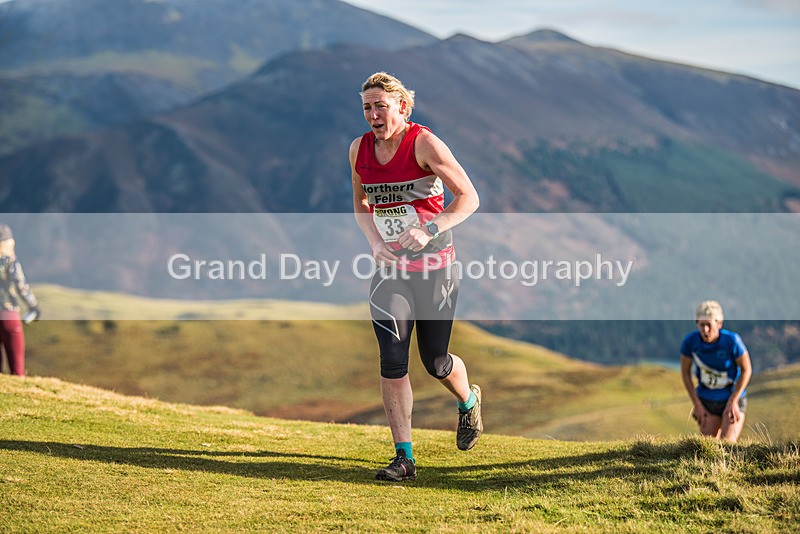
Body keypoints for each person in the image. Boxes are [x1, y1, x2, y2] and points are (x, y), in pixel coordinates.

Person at [349, 72, 483, 481]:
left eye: (381, 107)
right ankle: (403, 458)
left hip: (436, 269)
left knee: (435, 361)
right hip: (390, 271)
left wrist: (429, 228)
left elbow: (469, 197)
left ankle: (468, 401)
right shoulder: (359, 149)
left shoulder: (423, 143)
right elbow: (360, 203)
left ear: (402, 107)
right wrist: (374, 242)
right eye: (367, 107)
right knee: (393, 360)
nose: (373, 115)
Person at [680, 300, 752, 443]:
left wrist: (733, 401)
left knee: (727, 445)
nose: (705, 330)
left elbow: (746, 369)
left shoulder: (732, 341)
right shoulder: (690, 342)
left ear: (719, 324)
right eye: (701, 325)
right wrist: (697, 405)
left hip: (731, 397)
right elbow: (685, 373)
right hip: (707, 400)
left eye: (709, 325)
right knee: (708, 446)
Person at [0, 223, 40, 376]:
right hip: (8, 315)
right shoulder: (10, 263)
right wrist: (33, 307)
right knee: (17, 369)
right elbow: (22, 287)